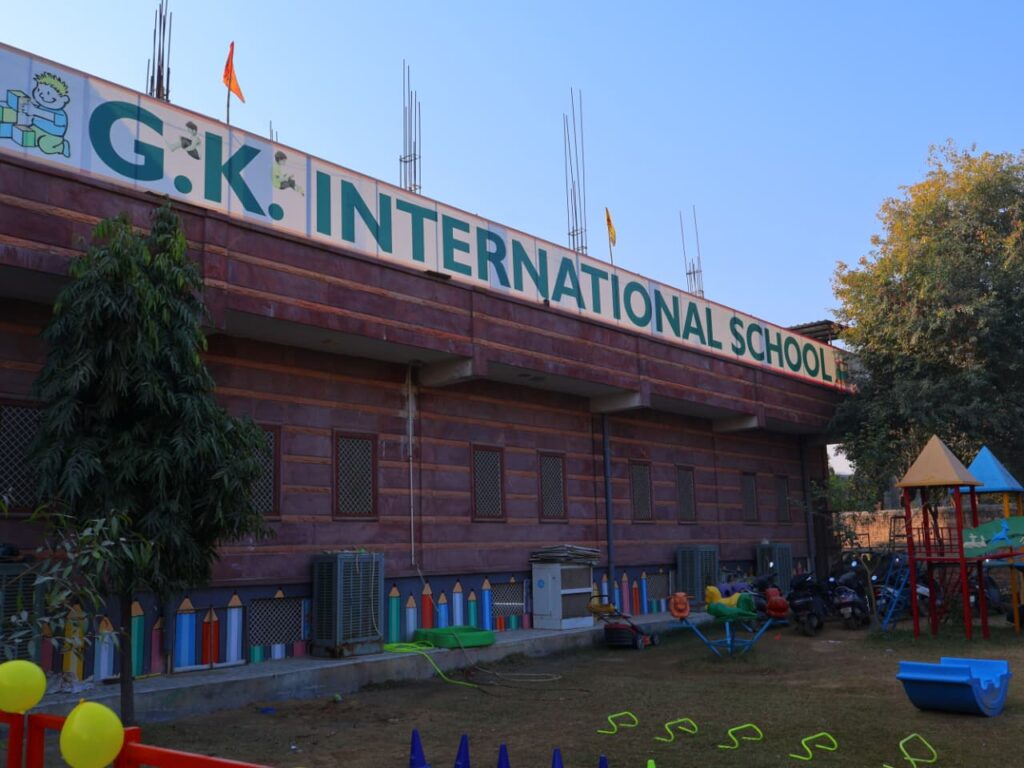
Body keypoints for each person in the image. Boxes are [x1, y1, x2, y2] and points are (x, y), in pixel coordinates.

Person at [21, 72, 70, 157]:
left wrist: (34, 111)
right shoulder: (40, 107)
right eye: (38, 90)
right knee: (25, 136)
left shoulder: (59, 114)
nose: (41, 95)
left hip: (53, 136)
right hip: (36, 129)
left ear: (63, 99)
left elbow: (49, 116)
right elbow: (36, 113)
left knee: (45, 145)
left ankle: (62, 146)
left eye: (48, 93)